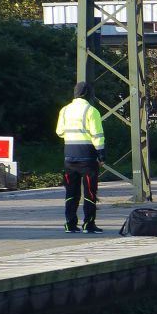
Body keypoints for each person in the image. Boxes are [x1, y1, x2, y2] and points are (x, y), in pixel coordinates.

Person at [56, 81, 105, 233]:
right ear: (89, 94)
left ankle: (70, 224)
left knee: (71, 192)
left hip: (69, 157)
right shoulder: (91, 111)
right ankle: (88, 224)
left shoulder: (64, 110)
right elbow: (97, 135)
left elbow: (59, 132)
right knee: (90, 192)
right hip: (87, 158)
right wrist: (101, 155)